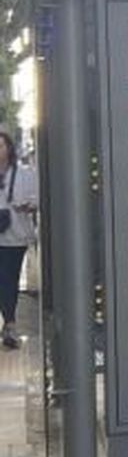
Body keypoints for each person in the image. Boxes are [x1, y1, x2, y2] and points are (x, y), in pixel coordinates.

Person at [0, 133, 38, 350]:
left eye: (1, 146)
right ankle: (9, 322)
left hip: (15, 237)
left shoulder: (24, 174)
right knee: (3, 281)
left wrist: (27, 206)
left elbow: (37, 200)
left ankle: (10, 323)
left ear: (9, 149)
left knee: (9, 279)